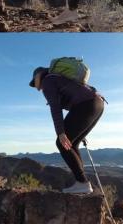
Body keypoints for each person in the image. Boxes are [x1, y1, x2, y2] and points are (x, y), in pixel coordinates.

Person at [29, 66, 105, 194]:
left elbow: (55, 108)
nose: (40, 88)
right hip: (98, 104)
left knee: (61, 143)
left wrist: (60, 132)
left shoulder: (48, 81)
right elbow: (82, 93)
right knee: (72, 143)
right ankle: (82, 183)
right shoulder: (61, 78)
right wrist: (81, 127)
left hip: (87, 105)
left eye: (36, 83)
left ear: (38, 77)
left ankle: (82, 183)